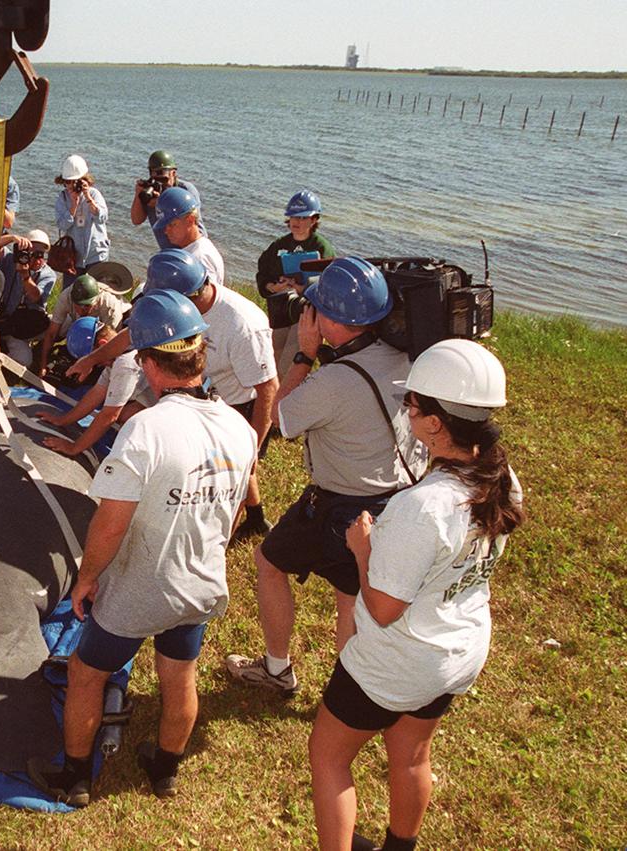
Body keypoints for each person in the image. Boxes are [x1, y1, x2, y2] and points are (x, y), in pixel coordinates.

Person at [27, 290, 257, 807]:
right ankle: (165, 767)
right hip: (200, 580)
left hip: (142, 586)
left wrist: (86, 579)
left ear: (151, 363)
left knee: (88, 673)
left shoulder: (146, 429)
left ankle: (75, 778)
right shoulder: (240, 429)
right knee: (179, 674)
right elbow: (237, 505)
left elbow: (111, 523)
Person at [309, 339, 523, 851]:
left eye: (413, 405)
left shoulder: (421, 506)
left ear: (434, 424)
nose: (406, 411)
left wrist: (362, 549)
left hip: (398, 662)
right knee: (410, 756)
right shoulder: (502, 479)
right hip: (456, 652)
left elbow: (383, 609)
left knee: (329, 756)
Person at [225, 257, 420, 694]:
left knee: (269, 563)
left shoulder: (333, 380)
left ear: (331, 319)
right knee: (349, 597)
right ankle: (351, 689)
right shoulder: (402, 357)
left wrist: (304, 354)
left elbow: (281, 416)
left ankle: (277, 671)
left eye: (314, 310)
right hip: (390, 503)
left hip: (338, 504)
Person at [142, 249, 279, 540]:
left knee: (234, 474)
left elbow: (268, 388)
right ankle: (258, 518)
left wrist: (252, 444)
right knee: (241, 473)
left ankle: (220, 540)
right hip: (208, 396)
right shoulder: (184, 310)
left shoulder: (243, 325)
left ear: (186, 297)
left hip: (241, 407)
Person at [38, 316, 153, 458]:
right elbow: (97, 392)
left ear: (103, 344)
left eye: (96, 361)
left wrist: (74, 447)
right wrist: (63, 420)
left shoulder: (125, 364)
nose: (98, 365)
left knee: (128, 420)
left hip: (172, 400)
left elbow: (110, 415)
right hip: (153, 389)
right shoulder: (117, 354)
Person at [256, 190, 337, 381]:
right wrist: (272, 287)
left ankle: (282, 405)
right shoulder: (278, 245)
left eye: (302, 217)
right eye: (293, 217)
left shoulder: (322, 247)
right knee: (272, 362)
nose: (296, 222)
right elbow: (263, 274)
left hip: (305, 314)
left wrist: (303, 289)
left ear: (314, 220)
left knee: (289, 365)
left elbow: (329, 286)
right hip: (279, 311)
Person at [37, 273, 128, 377]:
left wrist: (89, 364)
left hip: (112, 327)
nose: (82, 310)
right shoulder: (66, 297)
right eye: (78, 305)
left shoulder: (110, 307)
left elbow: (110, 345)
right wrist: (43, 366)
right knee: (61, 327)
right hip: (82, 324)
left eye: (87, 306)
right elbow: (51, 333)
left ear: (96, 299)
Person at [0, 229, 58, 365]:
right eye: (34, 254)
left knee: (63, 324)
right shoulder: (12, 260)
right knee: (24, 361)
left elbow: (36, 297)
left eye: (41, 254)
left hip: (34, 323)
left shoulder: (49, 274)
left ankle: (41, 347)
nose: (38, 259)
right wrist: (12, 238)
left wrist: (25, 276)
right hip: (12, 325)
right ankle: (4, 346)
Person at [151, 187, 225, 287]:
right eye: (165, 225)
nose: (166, 231)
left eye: (172, 225)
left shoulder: (199, 258)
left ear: (190, 220)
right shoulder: (194, 248)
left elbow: (204, 299)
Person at [53, 155, 109, 280]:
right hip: (73, 257)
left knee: (96, 293)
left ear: (83, 179)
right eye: (68, 182)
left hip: (95, 254)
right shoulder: (62, 198)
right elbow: (62, 225)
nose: (72, 186)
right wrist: (73, 206)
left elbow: (102, 218)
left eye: (75, 181)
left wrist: (88, 198)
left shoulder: (94, 194)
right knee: (70, 294)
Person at [129, 150, 202, 228]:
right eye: (156, 180)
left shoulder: (186, 190)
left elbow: (192, 223)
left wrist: (161, 204)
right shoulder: (151, 191)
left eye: (164, 180)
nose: (160, 184)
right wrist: (138, 195)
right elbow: (136, 220)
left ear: (173, 173)